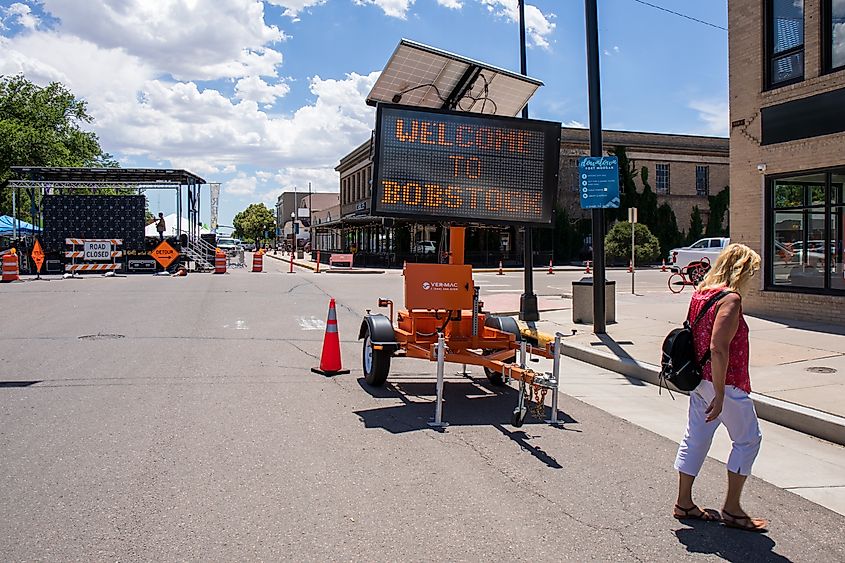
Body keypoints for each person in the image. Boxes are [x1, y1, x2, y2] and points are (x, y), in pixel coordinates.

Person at [672, 243, 767, 532]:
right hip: (725, 383)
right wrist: (723, 394)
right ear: (742, 270)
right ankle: (733, 509)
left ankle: (684, 503)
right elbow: (718, 347)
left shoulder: (701, 293)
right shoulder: (731, 299)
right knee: (748, 439)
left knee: (696, 438)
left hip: (700, 381)